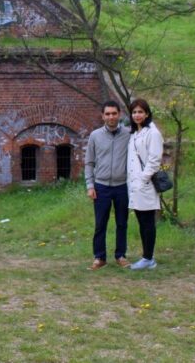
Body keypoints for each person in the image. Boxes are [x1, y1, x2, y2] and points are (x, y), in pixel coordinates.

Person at [84, 100, 131, 270]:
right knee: (100, 224)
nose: (111, 116)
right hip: (101, 186)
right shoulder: (95, 136)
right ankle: (99, 257)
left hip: (122, 186)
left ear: (120, 114)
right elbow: (89, 162)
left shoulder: (128, 134)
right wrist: (90, 185)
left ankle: (120, 255)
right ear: (102, 116)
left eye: (114, 113)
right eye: (108, 114)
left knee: (122, 223)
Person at [127, 98, 164, 270]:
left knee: (148, 221)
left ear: (147, 113)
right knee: (142, 221)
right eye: (134, 112)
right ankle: (147, 256)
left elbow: (154, 159)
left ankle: (148, 258)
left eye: (140, 112)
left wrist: (143, 179)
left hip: (145, 185)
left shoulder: (152, 133)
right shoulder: (135, 133)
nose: (137, 115)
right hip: (135, 185)